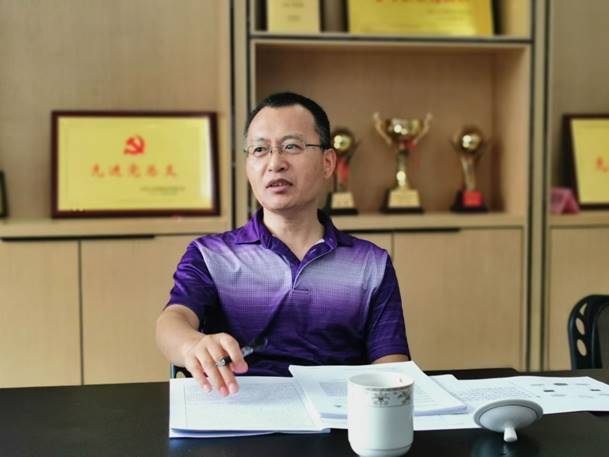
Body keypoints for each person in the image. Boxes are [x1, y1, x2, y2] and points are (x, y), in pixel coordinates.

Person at [156, 92, 410, 397]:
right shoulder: (211, 255)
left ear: (328, 162)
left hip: (341, 416)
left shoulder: (371, 263)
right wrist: (192, 345)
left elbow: (392, 369)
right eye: (260, 150)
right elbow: (173, 320)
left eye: (291, 146)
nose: (275, 163)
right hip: (241, 411)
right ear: (248, 165)